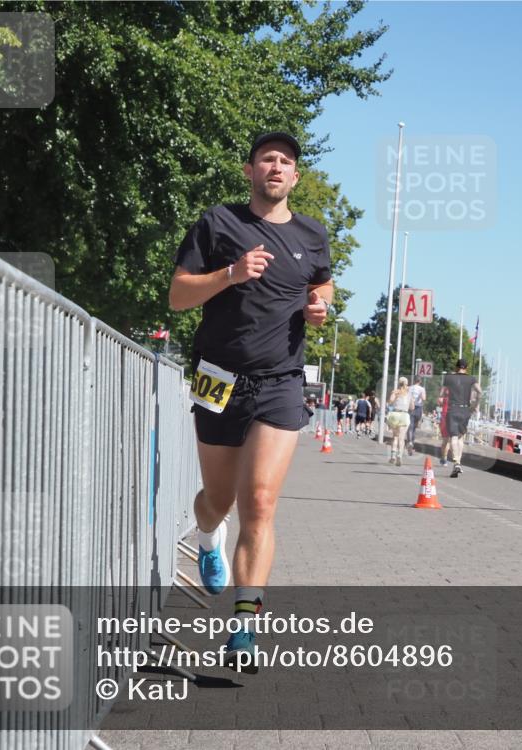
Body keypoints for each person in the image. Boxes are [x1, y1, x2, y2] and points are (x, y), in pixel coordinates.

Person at [168, 131, 333, 670]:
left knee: (259, 501)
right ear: (250, 170)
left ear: (296, 177)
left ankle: (244, 628)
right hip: (218, 377)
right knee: (218, 499)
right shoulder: (218, 222)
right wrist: (231, 274)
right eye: (267, 159)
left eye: (286, 161)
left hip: (281, 382)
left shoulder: (312, 234)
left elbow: (322, 286)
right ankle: (208, 537)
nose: (277, 167)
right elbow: (177, 296)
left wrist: (319, 309)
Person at [441, 358, 482, 478]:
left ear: (456, 367)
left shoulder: (449, 378)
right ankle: (458, 463)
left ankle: (456, 462)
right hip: (465, 410)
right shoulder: (472, 379)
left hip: (453, 409)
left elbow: (442, 393)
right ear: (466, 368)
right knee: (460, 437)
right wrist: (476, 404)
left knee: (453, 436)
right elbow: (480, 392)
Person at [386, 377, 413, 466]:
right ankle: (399, 456)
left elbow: (390, 401)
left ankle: (393, 455)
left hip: (395, 414)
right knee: (401, 438)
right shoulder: (409, 394)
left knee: (395, 437)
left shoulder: (396, 391)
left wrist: (394, 394)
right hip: (404, 415)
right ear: (406, 384)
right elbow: (412, 407)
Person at [406, 376, 426, 455]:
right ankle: (412, 444)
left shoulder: (409, 388)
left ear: (414, 381)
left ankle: (410, 442)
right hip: (418, 408)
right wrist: (420, 395)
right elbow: (424, 398)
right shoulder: (422, 389)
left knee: (410, 426)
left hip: (410, 407)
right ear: (420, 381)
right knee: (414, 427)